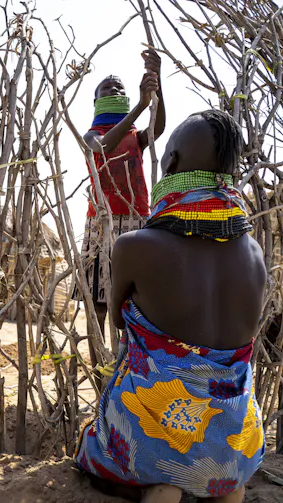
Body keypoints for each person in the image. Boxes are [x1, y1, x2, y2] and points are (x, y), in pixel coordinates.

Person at [75, 110, 266, 502]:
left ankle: (165, 483)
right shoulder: (255, 255)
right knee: (225, 476)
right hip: (237, 447)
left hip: (153, 442)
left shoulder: (135, 247)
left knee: (113, 449)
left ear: (172, 164)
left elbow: (116, 321)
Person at [74, 49, 166, 341]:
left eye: (119, 87)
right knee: (99, 300)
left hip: (136, 221)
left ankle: (128, 361)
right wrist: (138, 106)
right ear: (96, 100)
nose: (115, 89)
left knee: (135, 298)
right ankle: (100, 362)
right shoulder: (92, 134)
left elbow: (158, 127)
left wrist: (156, 83)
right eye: (107, 87)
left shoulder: (136, 135)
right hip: (103, 222)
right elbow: (102, 148)